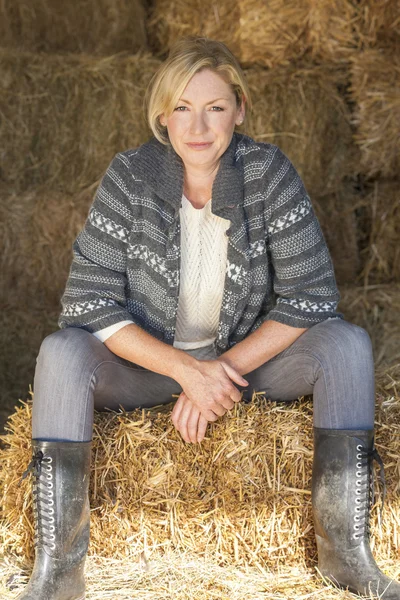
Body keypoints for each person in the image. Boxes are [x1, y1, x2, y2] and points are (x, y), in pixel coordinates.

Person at [19, 36, 399, 600]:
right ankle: (59, 569)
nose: (199, 126)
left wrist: (217, 371)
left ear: (239, 110)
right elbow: (88, 302)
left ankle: (346, 554)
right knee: (62, 351)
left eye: (215, 107)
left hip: (244, 368)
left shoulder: (267, 172)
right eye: (182, 108)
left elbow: (312, 294)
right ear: (162, 117)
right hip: (148, 367)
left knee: (344, 343)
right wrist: (185, 371)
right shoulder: (129, 177)